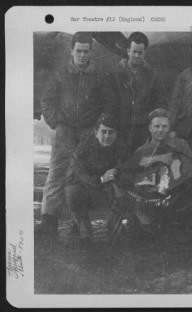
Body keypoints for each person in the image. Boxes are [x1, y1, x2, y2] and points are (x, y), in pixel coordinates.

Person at [38, 32, 116, 237]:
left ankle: (78, 220)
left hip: (87, 133)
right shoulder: (60, 74)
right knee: (57, 172)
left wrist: (96, 130)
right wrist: (56, 122)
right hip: (64, 130)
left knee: (82, 173)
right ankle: (49, 218)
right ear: (71, 50)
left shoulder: (99, 76)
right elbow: (47, 100)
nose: (82, 55)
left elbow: (108, 105)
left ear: (91, 52)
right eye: (79, 51)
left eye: (86, 51)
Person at [110, 108, 192, 242]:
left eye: (164, 126)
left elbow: (189, 171)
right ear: (150, 128)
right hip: (153, 196)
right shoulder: (142, 150)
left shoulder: (180, 144)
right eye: (157, 126)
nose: (160, 130)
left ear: (169, 128)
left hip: (178, 193)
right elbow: (134, 171)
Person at [65, 114, 128, 246]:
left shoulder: (121, 148)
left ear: (116, 134)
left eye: (111, 133)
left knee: (122, 192)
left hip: (106, 190)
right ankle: (84, 230)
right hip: (85, 188)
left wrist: (116, 173)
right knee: (73, 192)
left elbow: (125, 169)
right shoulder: (82, 149)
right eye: (103, 132)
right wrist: (101, 179)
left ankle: (115, 230)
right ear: (96, 133)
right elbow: (78, 174)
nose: (107, 136)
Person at [110, 32, 167, 152]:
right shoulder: (115, 74)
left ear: (145, 53)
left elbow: (160, 102)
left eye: (140, 52)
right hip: (120, 129)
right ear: (128, 51)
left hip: (143, 131)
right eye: (134, 51)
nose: (136, 55)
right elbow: (109, 103)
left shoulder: (153, 76)